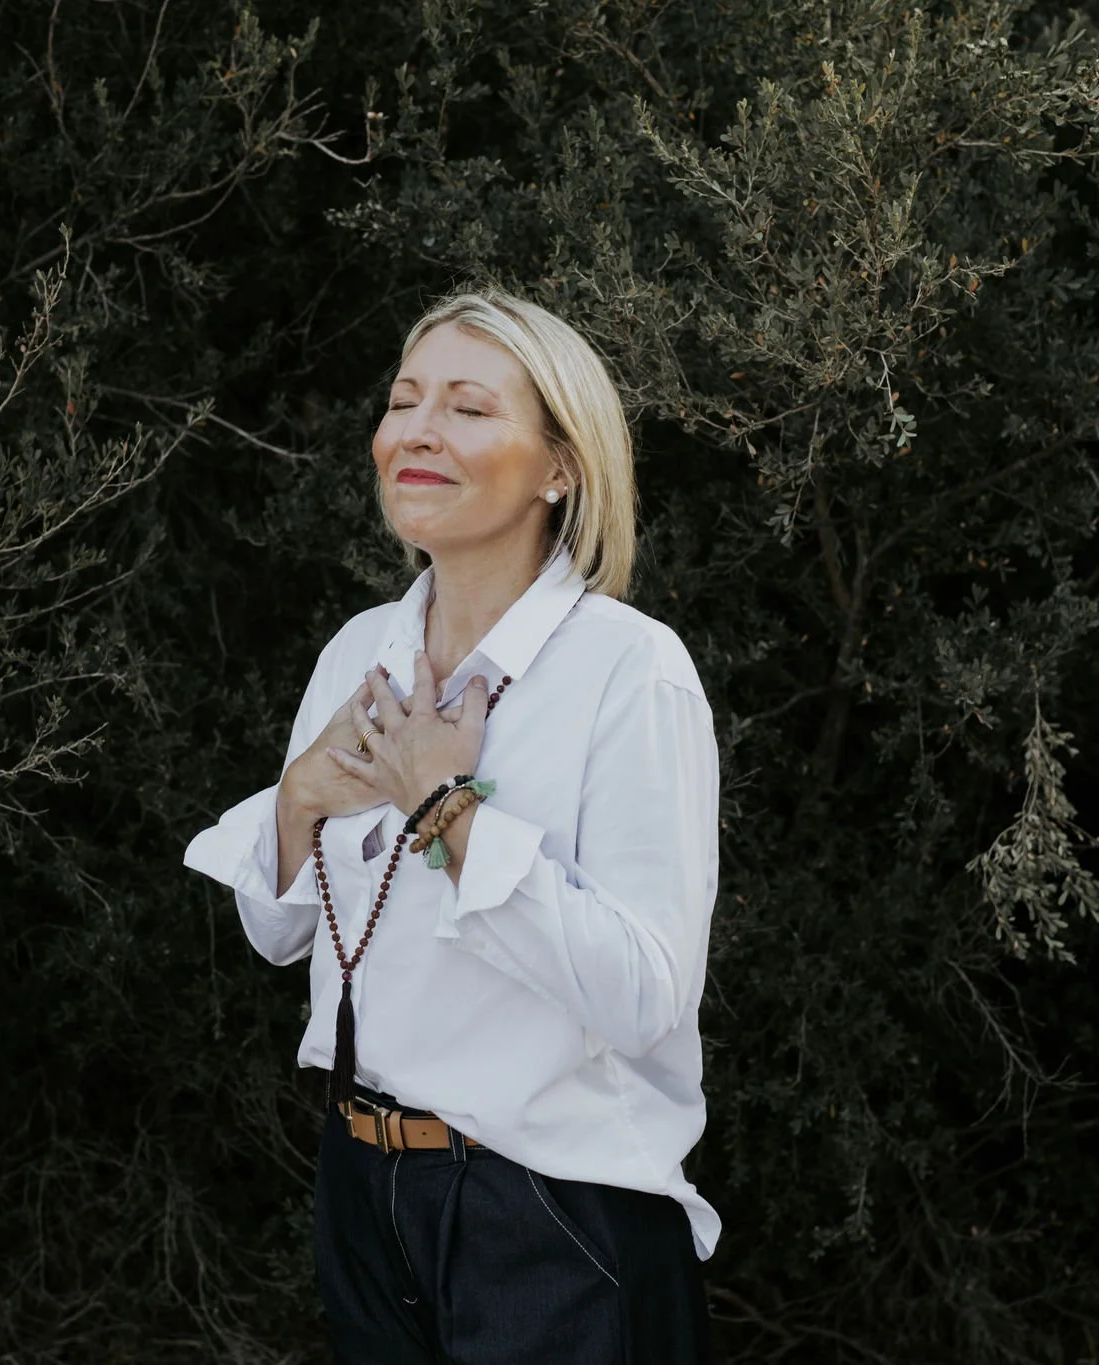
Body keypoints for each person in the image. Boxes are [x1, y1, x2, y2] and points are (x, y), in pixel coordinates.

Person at [183, 289, 719, 1364]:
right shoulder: (359, 652)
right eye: (403, 400)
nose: (417, 431)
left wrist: (446, 812)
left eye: (469, 408)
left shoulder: (628, 669)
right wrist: (295, 800)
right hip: (364, 1188)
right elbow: (280, 932)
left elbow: (644, 992)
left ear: (560, 467)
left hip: (554, 1207)